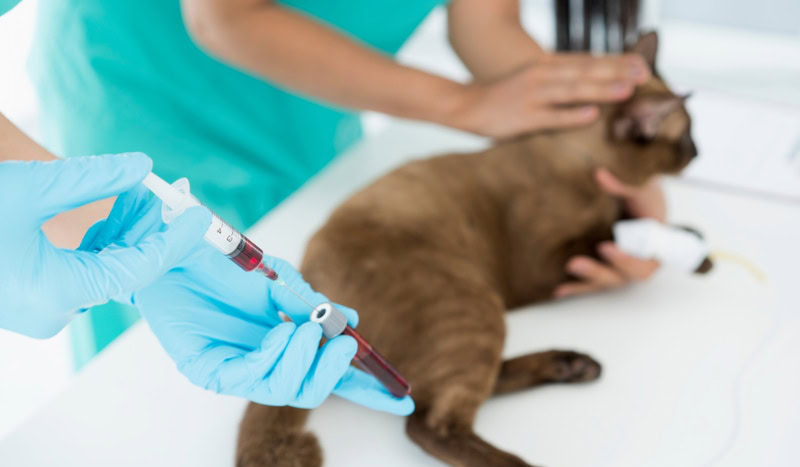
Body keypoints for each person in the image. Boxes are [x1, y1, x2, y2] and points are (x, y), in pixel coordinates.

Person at [27, 0, 663, 367]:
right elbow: (228, 16)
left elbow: (486, 26)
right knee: (155, 342)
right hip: (145, 83)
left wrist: (604, 163)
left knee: (299, 294)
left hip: (313, 95)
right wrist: (464, 106)